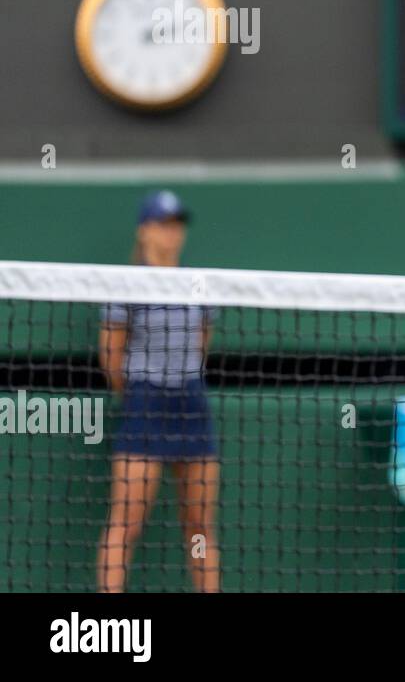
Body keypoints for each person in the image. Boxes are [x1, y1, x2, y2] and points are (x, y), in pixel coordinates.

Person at [97, 190, 221, 593]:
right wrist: (138, 393)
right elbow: (112, 355)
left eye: (177, 225)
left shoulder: (198, 285)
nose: (173, 234)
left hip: (191, 404)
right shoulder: (127, 286)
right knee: (126, 520)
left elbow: (203, 342)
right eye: (164, 224)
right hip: (145, 405)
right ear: (145, 230)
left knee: (200, 525)